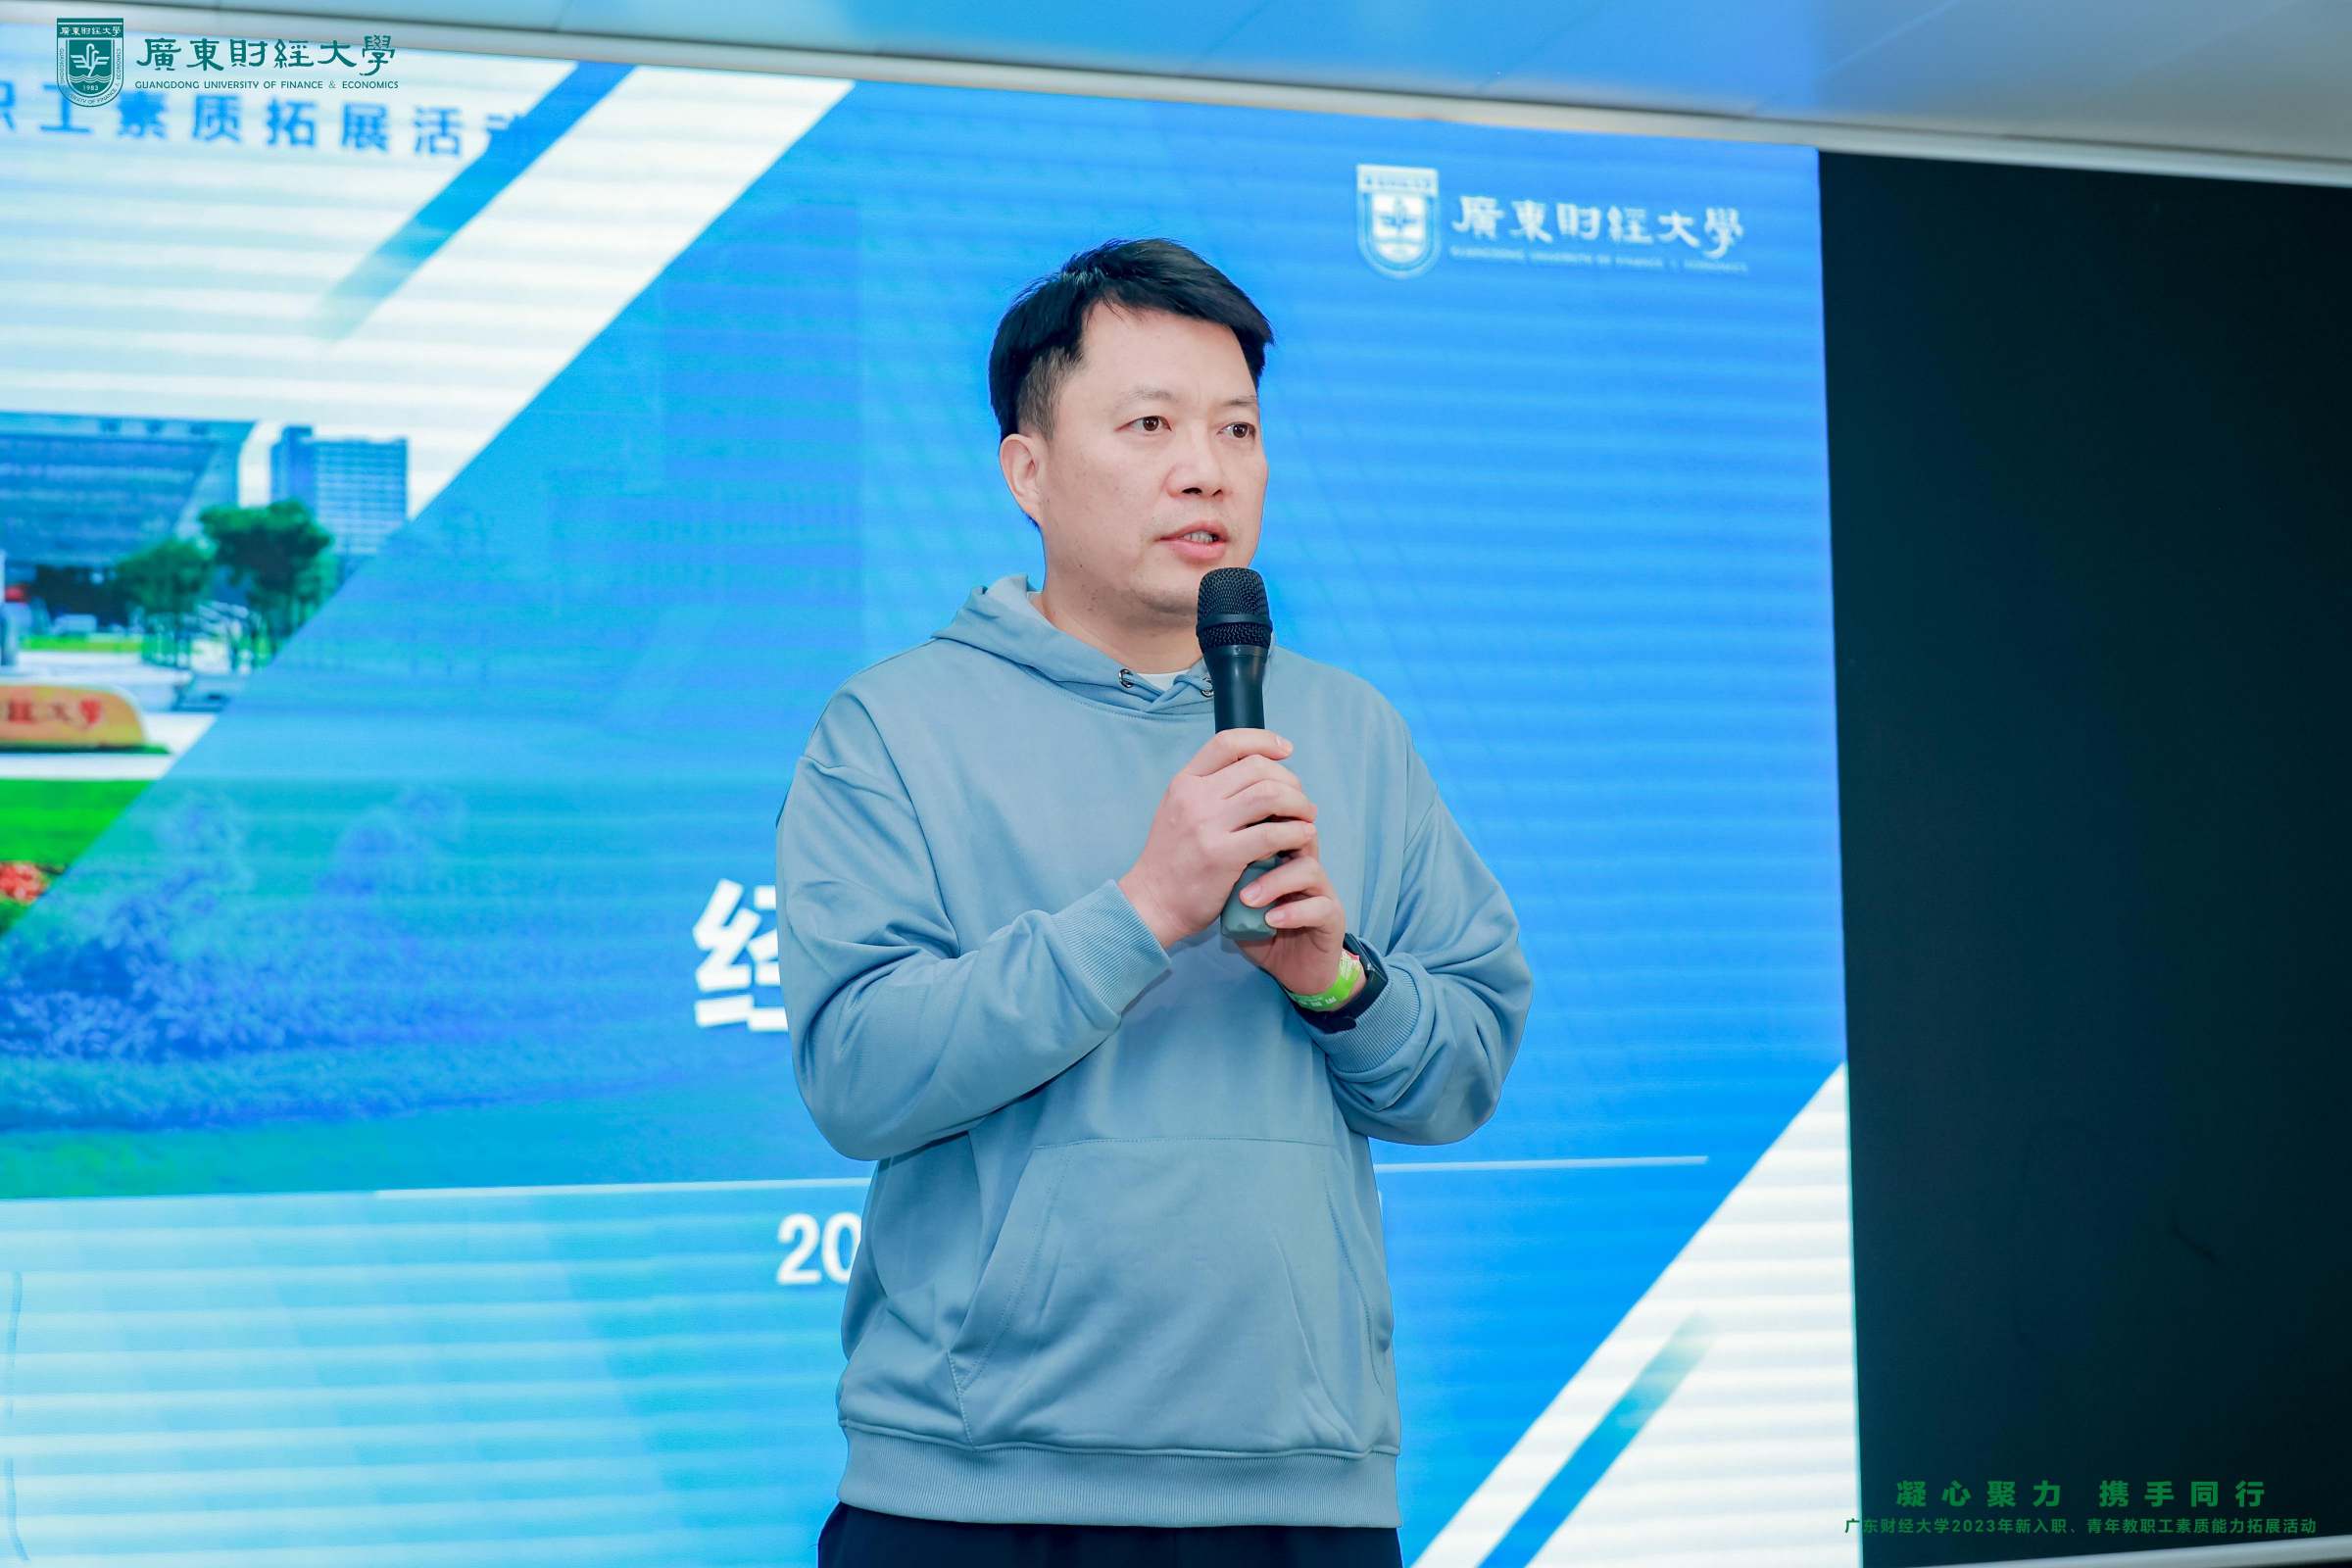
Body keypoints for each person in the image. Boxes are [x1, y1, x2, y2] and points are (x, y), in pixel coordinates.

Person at [777, 237, 1533, 1566]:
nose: (1207, 470)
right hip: (977, 1496)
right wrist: (1141, 911)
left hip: (1300, 1491)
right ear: (1028, 470)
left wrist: (1336, 983)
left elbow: (1461, 1071)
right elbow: (857, 1075)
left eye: (1237, 429)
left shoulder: (1349, 731)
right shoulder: (892, 728)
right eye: (1150, 426)